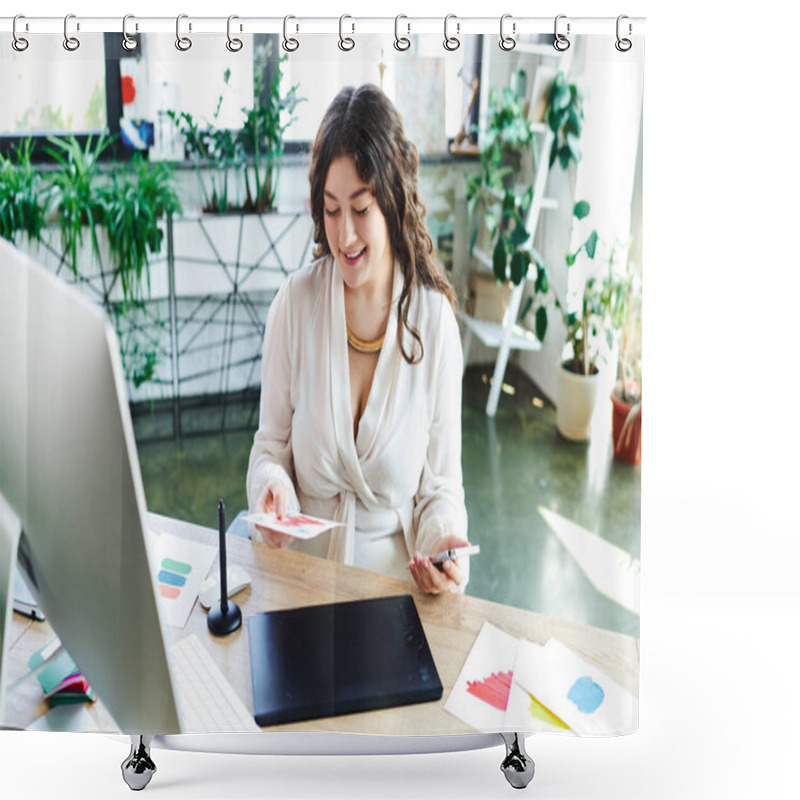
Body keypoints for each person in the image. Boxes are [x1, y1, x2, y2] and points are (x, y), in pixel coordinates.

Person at [246, 84, 471, 594]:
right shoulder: (295, 304)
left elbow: (441, 487)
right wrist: (271, 490)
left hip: (394, 594)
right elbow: (270, 450)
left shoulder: (433, 323)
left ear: (392, 200)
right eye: (330, 210)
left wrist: (445, 544)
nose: (343, 235)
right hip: (298, 579)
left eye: (360, 208)